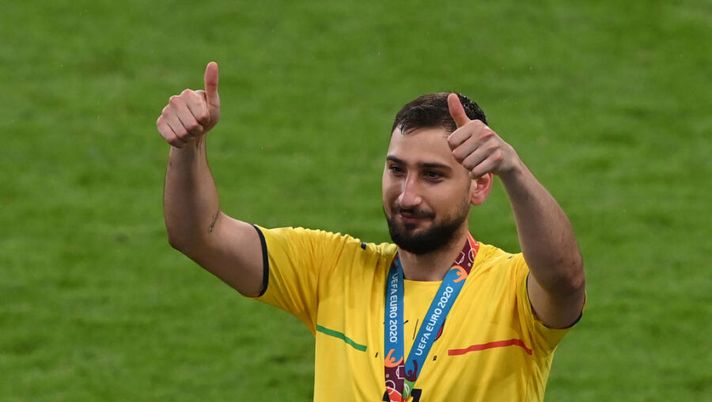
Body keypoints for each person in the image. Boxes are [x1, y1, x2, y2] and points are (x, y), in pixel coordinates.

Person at [156, 61, 585, 402]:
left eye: (433, 176)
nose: (407, 196)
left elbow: (564, 279)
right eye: (397, 170)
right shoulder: (331, 268)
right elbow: (200, 234)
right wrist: (188, 147)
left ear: (479, 184)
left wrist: (513, 170)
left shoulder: (511, 289)